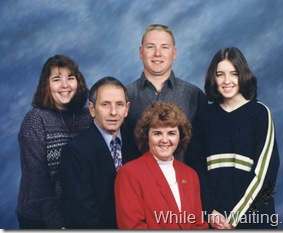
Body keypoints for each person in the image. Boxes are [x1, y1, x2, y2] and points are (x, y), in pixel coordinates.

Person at [186, 47, 280, 229]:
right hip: (214, 221)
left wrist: (235, 218)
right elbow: (195, 169)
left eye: (234, 74)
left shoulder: (260, 113)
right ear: (213, 78)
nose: (227, 81)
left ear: (242, 75)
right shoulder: (204, 117)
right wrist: (209, 211)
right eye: (220, 74)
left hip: (254, 220)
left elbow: (265, 175)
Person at [16, 55, 92, 229]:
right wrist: (58, 225)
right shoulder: (35, 120)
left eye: (70, 78)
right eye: (57, 79)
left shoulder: (87, 117)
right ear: (46, 85)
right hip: (39, 216)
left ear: (78, 83)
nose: (65, 85)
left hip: (77, 213)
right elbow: (37, 181)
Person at [59, 77, 140, 229]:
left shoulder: (137, 144)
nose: (114, 112)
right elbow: (83, 214)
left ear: (127, 109)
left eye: (119, 105)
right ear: (92, 109)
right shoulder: (75, 151)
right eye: (105, 105)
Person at [114, 101, 209, 229]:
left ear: (180, 136)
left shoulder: (190, 175)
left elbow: (199, 225)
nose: (165, 140)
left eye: (171, 133)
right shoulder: (129, 173)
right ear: (146, 136)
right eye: (157, 133)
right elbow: (132, 226)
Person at [125, 24, 208, 161]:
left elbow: (203, 147)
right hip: (137, 181)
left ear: (174, 53)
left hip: (183, 180)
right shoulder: (125, 95)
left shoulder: (194, 96)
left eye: (164, 47)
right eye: (150, 47)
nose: (157, 53)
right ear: (141, 52)